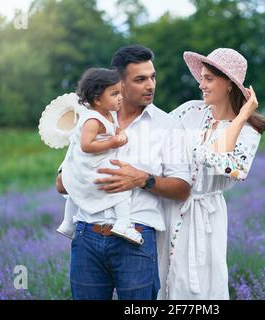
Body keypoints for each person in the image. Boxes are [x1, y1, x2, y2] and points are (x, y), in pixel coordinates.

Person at [56, 45, 191, 300]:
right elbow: (61, 183)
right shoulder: (90, 121)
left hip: (136, 238)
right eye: (140, 79)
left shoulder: (169, 127)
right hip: (86, 236)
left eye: (152, 77)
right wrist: (79, 176)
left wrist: (142, 179)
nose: (150, 85)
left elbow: (183, 189)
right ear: (118, 81)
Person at [157, 48, 265, 300]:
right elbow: (156, 141)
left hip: (205, 217)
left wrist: (240, 118)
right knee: (163, 282)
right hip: (170, 208)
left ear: (229, 84)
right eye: (202, 78)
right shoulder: (189, 112)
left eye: (209, 79)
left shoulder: (249, 131)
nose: (201, 85)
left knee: (199, 287)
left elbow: (226, 165)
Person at [56, 67, 144, 245]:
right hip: (89, 163)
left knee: (76, 190)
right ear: (97, 99)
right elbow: (86, 145)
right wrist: (112, 142)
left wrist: (121, 134)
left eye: (120, 92)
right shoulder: (92, 120)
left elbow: (115, 129)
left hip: (93, 163)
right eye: (114, 94)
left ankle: (67, 224)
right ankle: (123, 223)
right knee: (121, 186)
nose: (120, 97)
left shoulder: (108, 115)